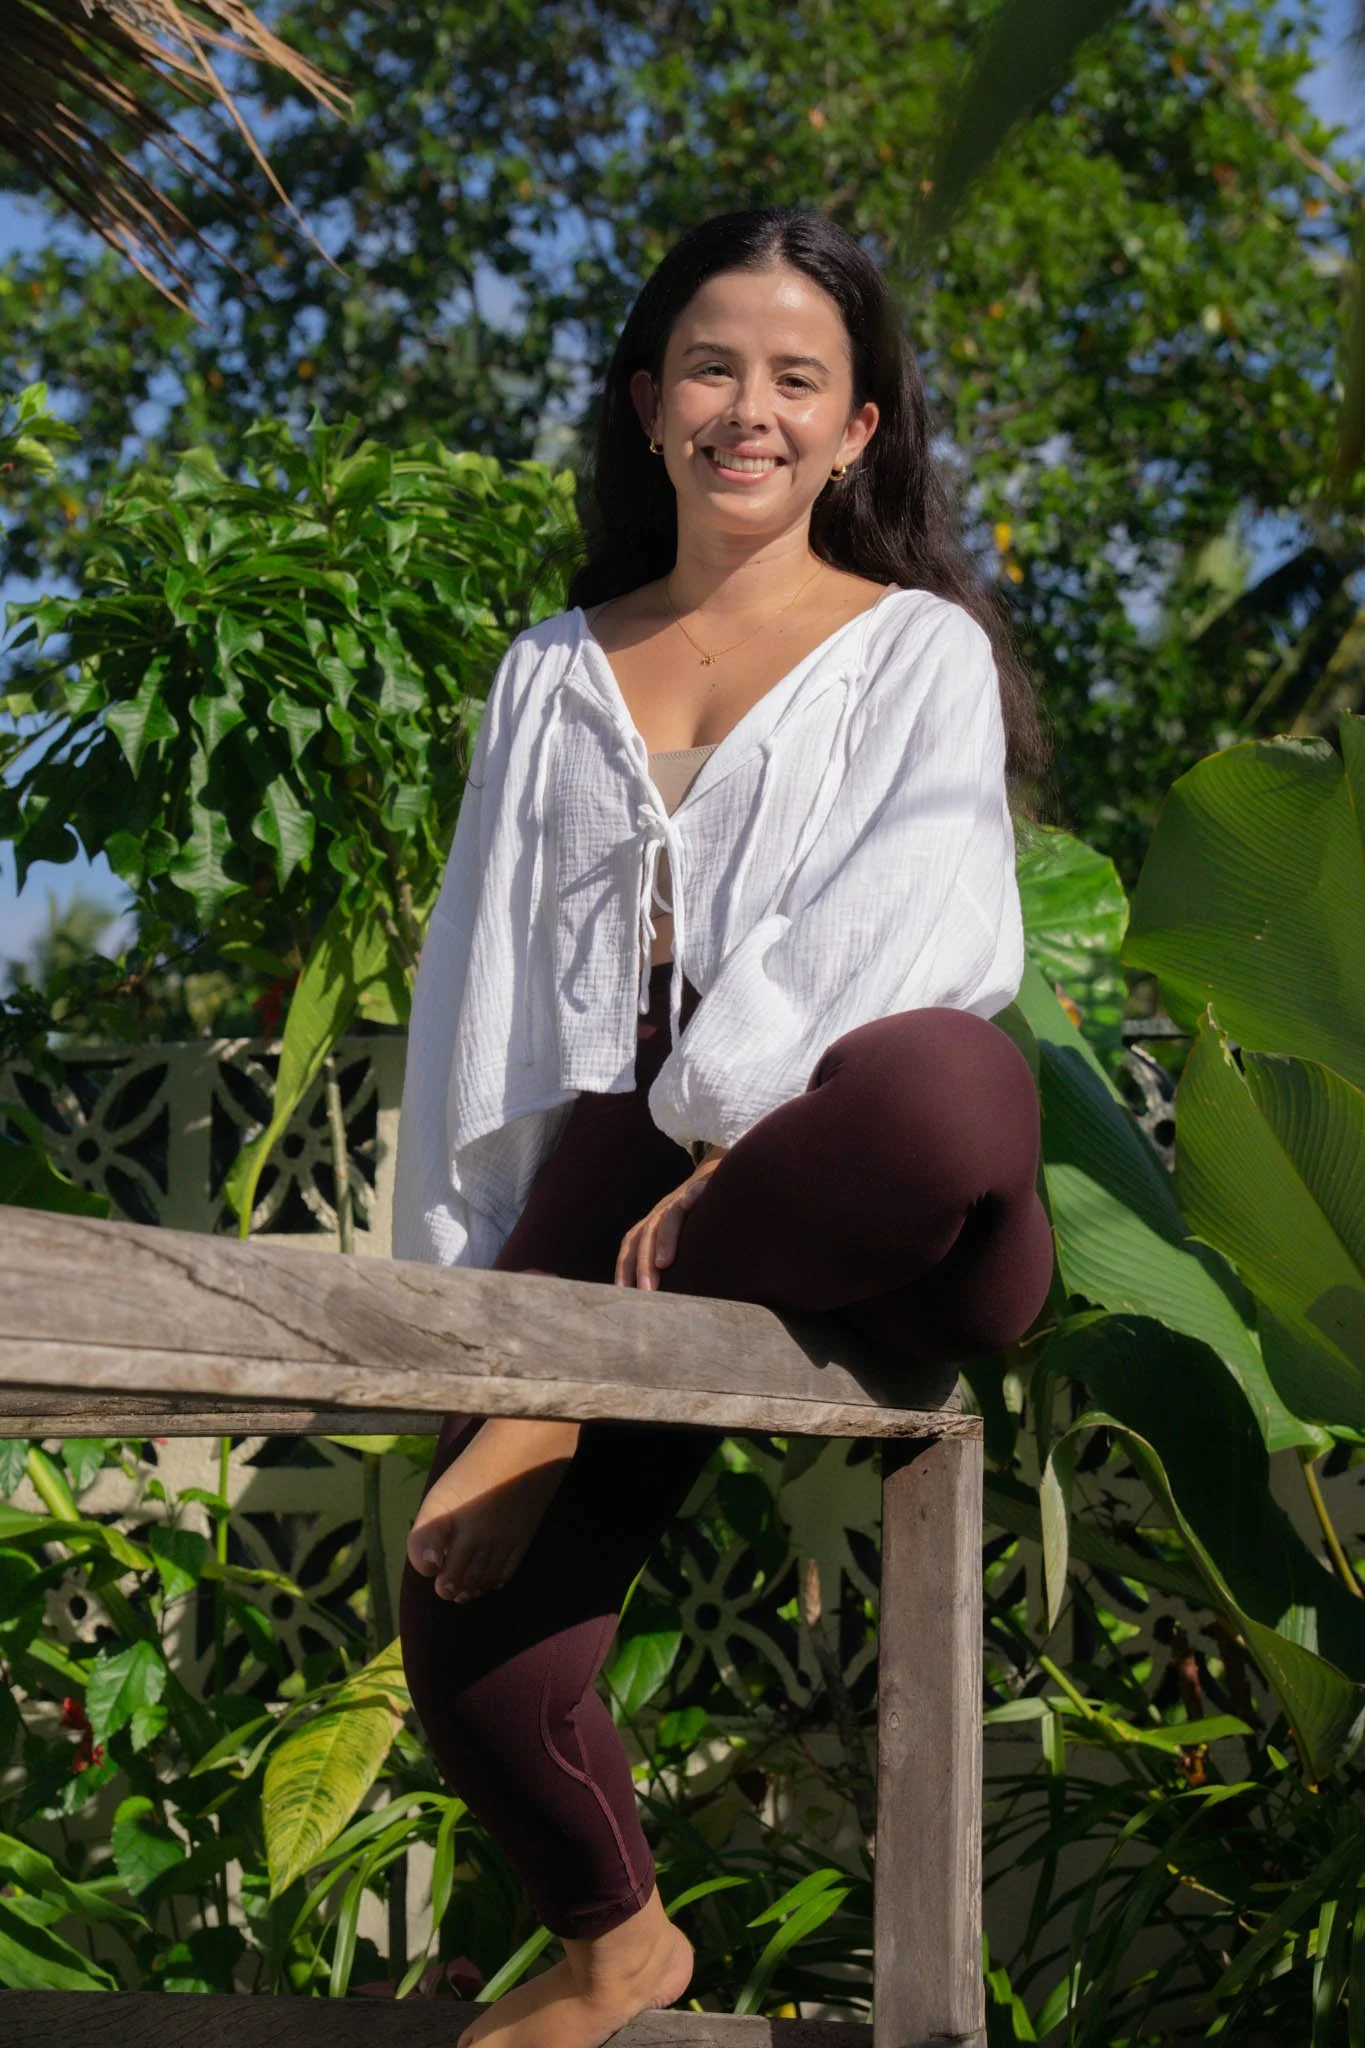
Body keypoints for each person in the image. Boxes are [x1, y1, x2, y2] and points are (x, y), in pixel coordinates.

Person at [391, 205, 1055, 2048]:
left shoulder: (913, 645)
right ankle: (621, 1945)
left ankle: (577, 1376)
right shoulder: (551, 666)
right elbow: (487, 987)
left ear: (859, 431)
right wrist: (467, 1308)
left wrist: (711, 1164)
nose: (745, 409)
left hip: (870, 1176)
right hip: (618, 1151)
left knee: (944, 1088)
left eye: (796, 379)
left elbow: (923, 916)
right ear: (645, 400)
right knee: (469, 1654)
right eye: (709, 367)